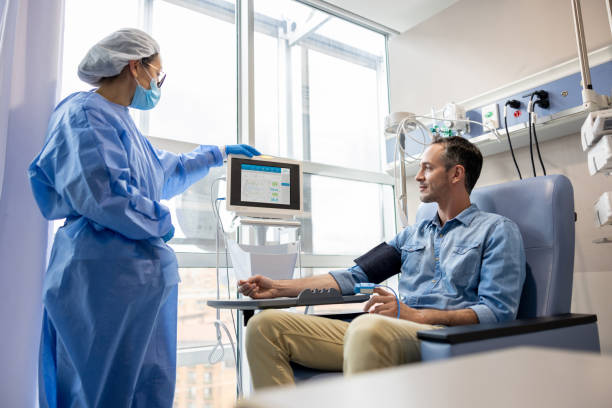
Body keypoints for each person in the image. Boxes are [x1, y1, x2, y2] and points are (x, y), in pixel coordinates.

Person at [29, 28, 260, 407]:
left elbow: (163, 172)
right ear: (135, 66)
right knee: (98, 388)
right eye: (158, 73)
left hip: (139, 285)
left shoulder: (122, 124)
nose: (157, 84)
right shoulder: (84, 114)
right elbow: (106, 196)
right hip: (100, 278)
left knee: (145, 385)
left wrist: (217, 153)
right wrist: (162, 223)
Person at [239, 136, 526, 389]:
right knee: (264, 327)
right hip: (388, 330)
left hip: (444, 337)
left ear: (456, 174)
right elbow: (354, 276)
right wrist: (277, 288)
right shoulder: (412, 235)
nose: (418, 177)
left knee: (369, 328)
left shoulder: (497, 230)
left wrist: (415, 315)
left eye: (428, 167)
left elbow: (496, 312)